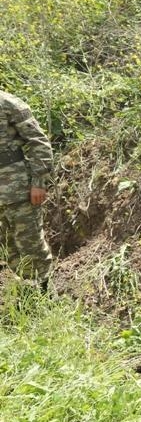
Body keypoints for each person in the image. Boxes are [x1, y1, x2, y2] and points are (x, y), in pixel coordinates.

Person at [0, 90, 53, 290]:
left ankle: (45, 296)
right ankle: (28, 291)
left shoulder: (7, 102)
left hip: (17, 191)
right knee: (7, 249)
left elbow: (37, 140)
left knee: (31, 245)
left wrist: (39, 182)